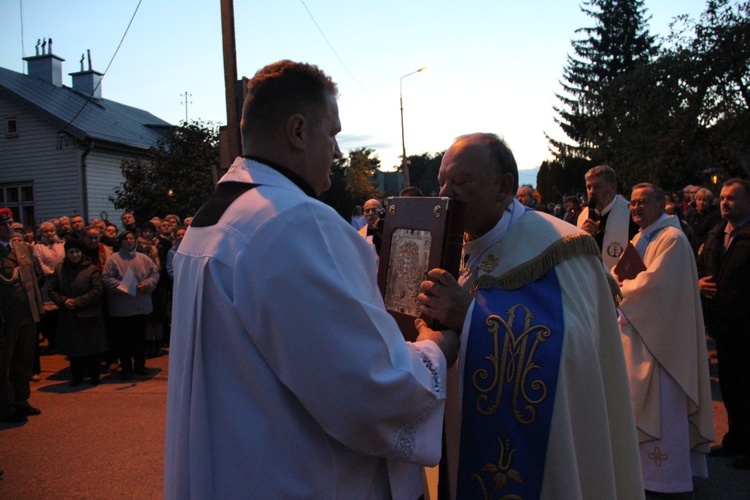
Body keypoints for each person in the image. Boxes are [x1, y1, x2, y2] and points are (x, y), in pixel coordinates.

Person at [164, 60, 459, 499]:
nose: (338, 153)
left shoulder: (214, 220)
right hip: (303, 479)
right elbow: (368, 389)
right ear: (298, 132)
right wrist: (436, 347)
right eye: (333, 134)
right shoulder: (293, 221)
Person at [417, 133, 643, 499]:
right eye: (442, 182)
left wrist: (470, 317)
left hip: (537, 458)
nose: (445, 194)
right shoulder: (450, 245)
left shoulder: (561, 248)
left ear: (504, 187)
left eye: (459, 182)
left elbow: (574, 355)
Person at [617, 183, 714, 493]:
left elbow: (654, 288)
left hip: (664, 346)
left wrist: (613, 292)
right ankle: (646, 476)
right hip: (641, 337)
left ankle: (667, 479)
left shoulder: (672, 239)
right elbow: (622, 276)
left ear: (662, 204)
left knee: (664, 408)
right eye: (632, 203)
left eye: (643, 202)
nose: (636, 208)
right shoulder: (639, 238)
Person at [697, 178, 750, 469]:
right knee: (731, 386)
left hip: (745, 323)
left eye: (732, 198)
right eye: (722, 197)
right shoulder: (718, 233)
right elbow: (704, 265)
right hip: (724, 325)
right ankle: (736, 439)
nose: (724, 202)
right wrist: (699, 282)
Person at [0, 208, 44, 423]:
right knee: (3, 364)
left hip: (28, 315)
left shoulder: (21, 248)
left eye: (10, 223)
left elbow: (32, 283)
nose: (9, 227)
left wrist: (38, 309)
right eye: (4, 224)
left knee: (24, 362)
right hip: (6, 320)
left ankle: (20, 399)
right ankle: (4, 405)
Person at [48, 239, 107, 386]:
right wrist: (64, 301)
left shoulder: (91, 269)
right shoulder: (60, 269)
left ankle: (94, 376)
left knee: (92, 348)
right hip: (69, 315)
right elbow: (51, 290)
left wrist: (78, 301)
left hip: (89, 315)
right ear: (66, 254)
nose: (75, 255)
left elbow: (97, 290)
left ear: (82, 253)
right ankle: (77, 377)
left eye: (77, 252)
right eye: (71, 252)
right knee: (74, 350)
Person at [102, 231, 159, 380]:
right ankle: (126, 367)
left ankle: (140, 365)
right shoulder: (113, 260)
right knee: (124, 340)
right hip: (122, 307)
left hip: (140, 306)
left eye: (131, 238)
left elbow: (155, 274)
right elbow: (106, 278)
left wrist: (146, 284)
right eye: (126, 239)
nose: (129, 241)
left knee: (140, 338)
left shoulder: (144, 258)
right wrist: (123, 286)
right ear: (120, 242)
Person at [577, 165, 639, 270]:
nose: (591, 191)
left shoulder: (630, 214)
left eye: (597, 187)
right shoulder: (582, 216)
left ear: (613, 187)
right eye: (589, 187)